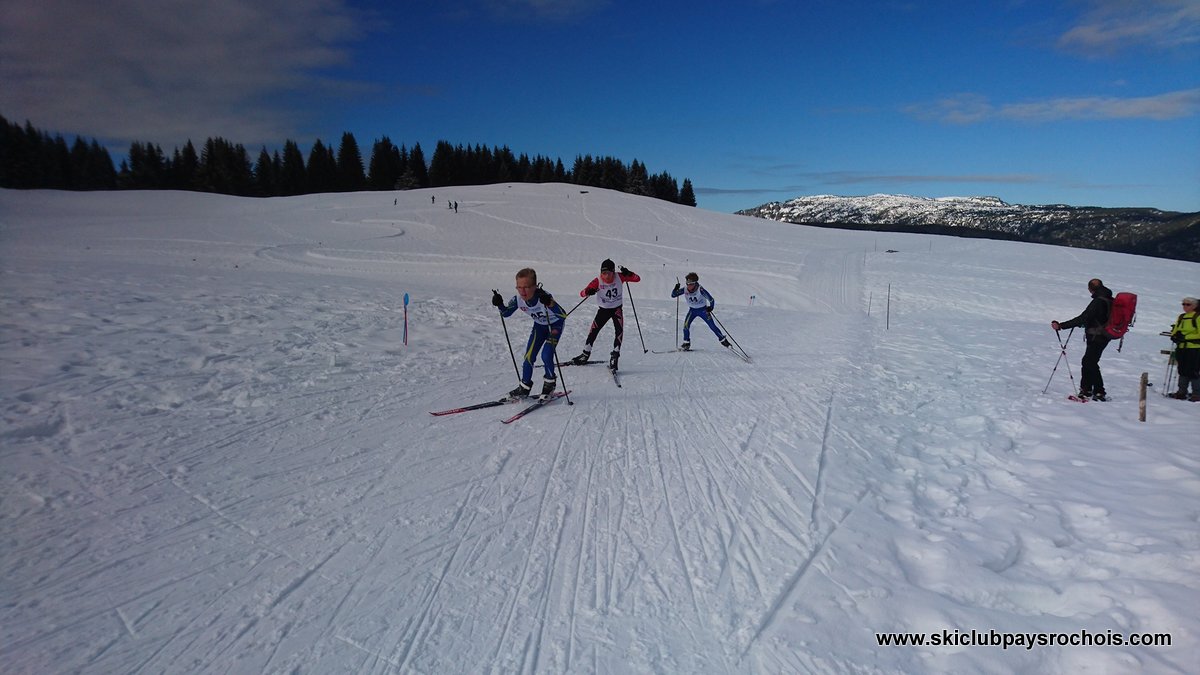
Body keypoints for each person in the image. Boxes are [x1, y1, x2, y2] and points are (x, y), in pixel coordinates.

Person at [492, 268, 567, 399]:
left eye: (526, 287)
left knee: (546, 355)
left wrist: (549, 303)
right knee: (528, 357)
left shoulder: (543, 297)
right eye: (519, 287)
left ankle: (550, 384)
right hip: (539, 327)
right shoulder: (518, 299)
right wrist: (499, 304)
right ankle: (524, 387)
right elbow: (506, 313)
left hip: (554, 325)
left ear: (535, 287)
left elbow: (562, 315)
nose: (522, 291)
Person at [1051, 278, 1114, 401]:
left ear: (1090, 289)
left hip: (1098, 336)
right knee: (1088, 361)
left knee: (1090, 362)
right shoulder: (1109, 298)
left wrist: (1061, 326)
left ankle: (1098, 392)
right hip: (1103, 335)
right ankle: (1087, 389)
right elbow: (1097, 318)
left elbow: (1083, 318)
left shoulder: (1098, 301)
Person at [571, 259, 640, 370]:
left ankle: (615, 356)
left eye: (609, 273)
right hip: (603, 310)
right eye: (603, 273)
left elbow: (637, 279)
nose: (606, 276)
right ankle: (585, 354)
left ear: (613, 272)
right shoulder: (597, 281)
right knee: (593, 331)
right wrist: (589, 291)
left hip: (617, 309)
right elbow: (582, 293)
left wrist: (629, 273)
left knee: (619, 331)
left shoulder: (620, 277)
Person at [671, 272, 729, 351]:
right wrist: (675, 288)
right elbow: (673, 295)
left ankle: (723, 340)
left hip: (703, 310)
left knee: (712, 326)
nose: (689, 286)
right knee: (685, 326)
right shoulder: (685, 289)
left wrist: (710, 308)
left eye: (691, 284)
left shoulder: (700, 289)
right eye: (687, 283)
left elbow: (711, 299)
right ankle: (686, 343)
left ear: (695, 283)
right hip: (692, 311)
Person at [1168, 296, 1200, 401]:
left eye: (1188, 304)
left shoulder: (1198, 317)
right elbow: (1176, 329)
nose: (1185, 306)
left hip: (1195, 348)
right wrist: (1174, 336)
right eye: (1183, 304)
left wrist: (1185, 337)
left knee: (1193, 370)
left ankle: (1196, 394)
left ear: (1195, 306)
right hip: (1182, 348)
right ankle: (1181, 392)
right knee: (1182, 370)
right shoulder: (1181, 317)